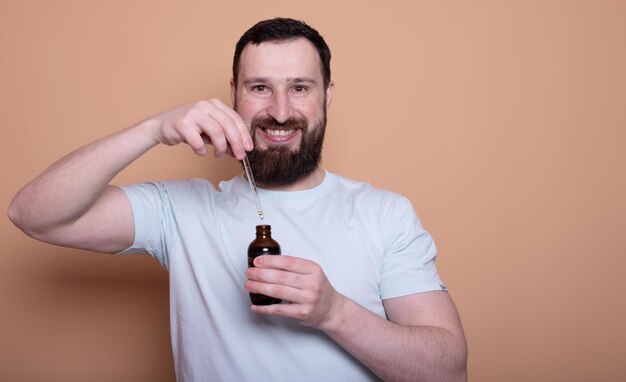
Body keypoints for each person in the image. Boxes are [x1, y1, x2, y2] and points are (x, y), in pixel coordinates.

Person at [8, 18, 467, 381]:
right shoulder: (181, 210)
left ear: (327, 96)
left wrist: (335, 312)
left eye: (300, 88)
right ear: (233, 95)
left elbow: (448, 372)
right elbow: (32, 214)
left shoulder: (384, 213)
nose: (281, 112)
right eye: (260, 87)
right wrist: (152, 130)